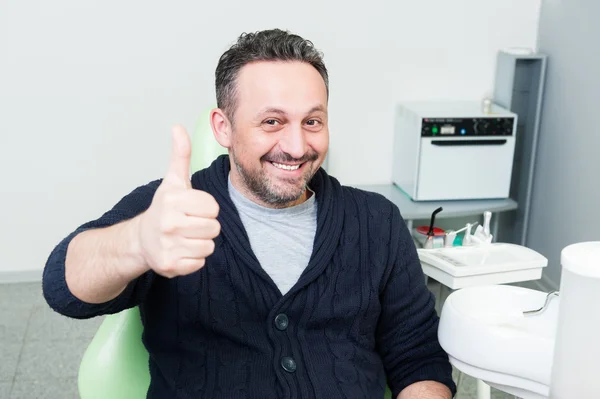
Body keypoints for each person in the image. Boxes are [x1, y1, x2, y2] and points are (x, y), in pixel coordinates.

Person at [42, 28, 456, 399]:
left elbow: (418, 355)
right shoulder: (171, 211)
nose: (296, 146)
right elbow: (64, 288)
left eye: (312, 121)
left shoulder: (376, 222)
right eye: (272, 121)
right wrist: (136, 244)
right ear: (223, 127)